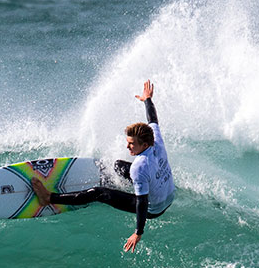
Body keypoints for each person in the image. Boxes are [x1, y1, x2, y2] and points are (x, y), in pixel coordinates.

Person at [32, 80, 175, 252]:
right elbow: (152, 118)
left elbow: (142, 203)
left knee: (99, 193)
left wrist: (138, 232)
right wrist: (147, 99)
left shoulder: (140, 167)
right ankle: (114, 186)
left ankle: (49, 198)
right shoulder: (156, 140)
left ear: (144, 145)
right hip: (168, 195)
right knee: (118, 166)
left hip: (154, 209)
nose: (127, 147)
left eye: (132, 144)